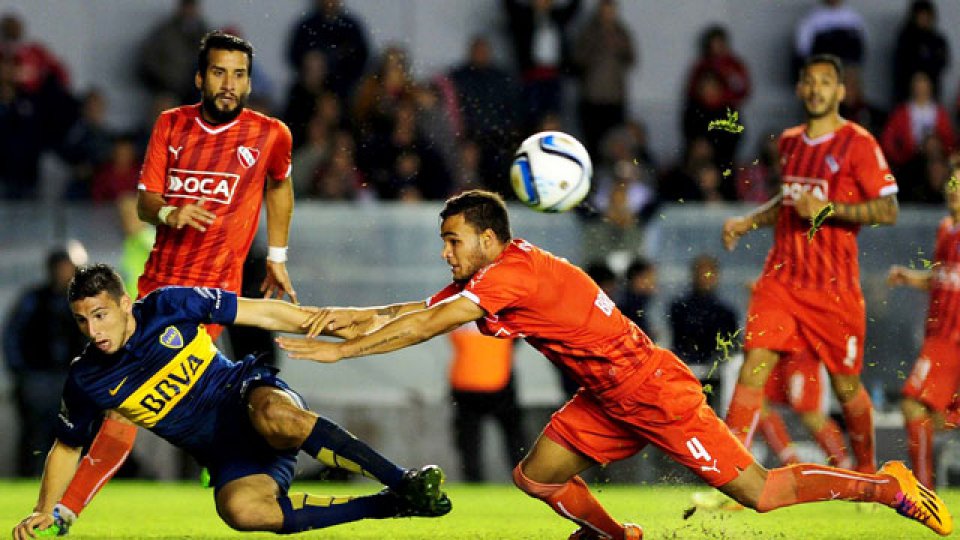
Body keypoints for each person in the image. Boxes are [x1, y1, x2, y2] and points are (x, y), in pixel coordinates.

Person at [277, 190, 952, 538]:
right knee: (536, 476)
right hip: (605, 397)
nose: (446, 252)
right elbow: (415, 305)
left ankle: (886, 485)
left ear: (487, 238)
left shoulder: (508, 279)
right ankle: (615, 536)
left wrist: (340, 354)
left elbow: (424, 325)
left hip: (651, 390)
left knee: (761, 494)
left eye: (453, 241)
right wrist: (339, 318)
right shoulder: (497, 271)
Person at [52, 30, 299, 531]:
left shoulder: (270, 133)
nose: (229, 83)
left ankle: (65, 511)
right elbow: (145, 202)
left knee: (142, 406)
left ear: (249, 81)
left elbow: (280, 185)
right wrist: (171, 210)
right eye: (218, 72)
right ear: (199, 77)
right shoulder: (172, 125)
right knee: (128, 407)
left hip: (214, 293)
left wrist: (276, 255)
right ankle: (66, 508)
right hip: (159, 293)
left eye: (239, 74)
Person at [10, 264, 451, 539]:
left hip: (248, 397)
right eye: (83, 321)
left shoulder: (168, 306)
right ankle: (392, 506)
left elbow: (259, 312)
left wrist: (329, 325)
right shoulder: (88, 377)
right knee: (240, 512)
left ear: (125, 304)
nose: (94, 330)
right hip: (228, 457)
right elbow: (69, 448)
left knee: (277, 414)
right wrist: (46, 510)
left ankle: (403, 479)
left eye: (101, 315)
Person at [720, 54, 898, 480]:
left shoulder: (859, 143)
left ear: (840, 91)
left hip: (833, 290)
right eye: (809, 81)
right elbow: (788, 204)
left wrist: (828, 208)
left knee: (846, 387)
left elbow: (888, 210)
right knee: (753, 367)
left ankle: (868, 471)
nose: (816, 89)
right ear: (800, 89)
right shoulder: (790, 142)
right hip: (781, 279)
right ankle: (728, 473)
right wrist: (749, 220)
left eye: (825, 82)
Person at [887, 166, 960, 487]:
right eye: (952, 182)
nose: (954, 190)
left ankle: (922, 489)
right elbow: (943, 278)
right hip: (939, 335)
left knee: (912, 403)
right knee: (934, 416)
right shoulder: (945, 229)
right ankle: (925, 487)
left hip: (952, 338)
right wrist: (910, 278)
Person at [2, 249, 85, 477]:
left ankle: (72, 482)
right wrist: (21, 372)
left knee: (72, 433)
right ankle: (30, 475)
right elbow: (13, 335)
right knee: (35, 432)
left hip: (72, 377)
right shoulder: (34, 299)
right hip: (39, 377)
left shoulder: (84, 301)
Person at [447, 323, 525, 482]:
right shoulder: (505, 318)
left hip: (464, 382)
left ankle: (473, 478)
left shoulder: (457, 311)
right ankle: (524, 478)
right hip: (499, 381)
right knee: (513, 436)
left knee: (469, 438)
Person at [667, 254, 737, 409]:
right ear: (693, 274)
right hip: (687, 371)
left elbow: (730, 345)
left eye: (710, 273)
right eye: (702, 272)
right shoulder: (679, 307)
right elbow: (680, 339)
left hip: (715, 373)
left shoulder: (726, 312)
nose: (706, 277)